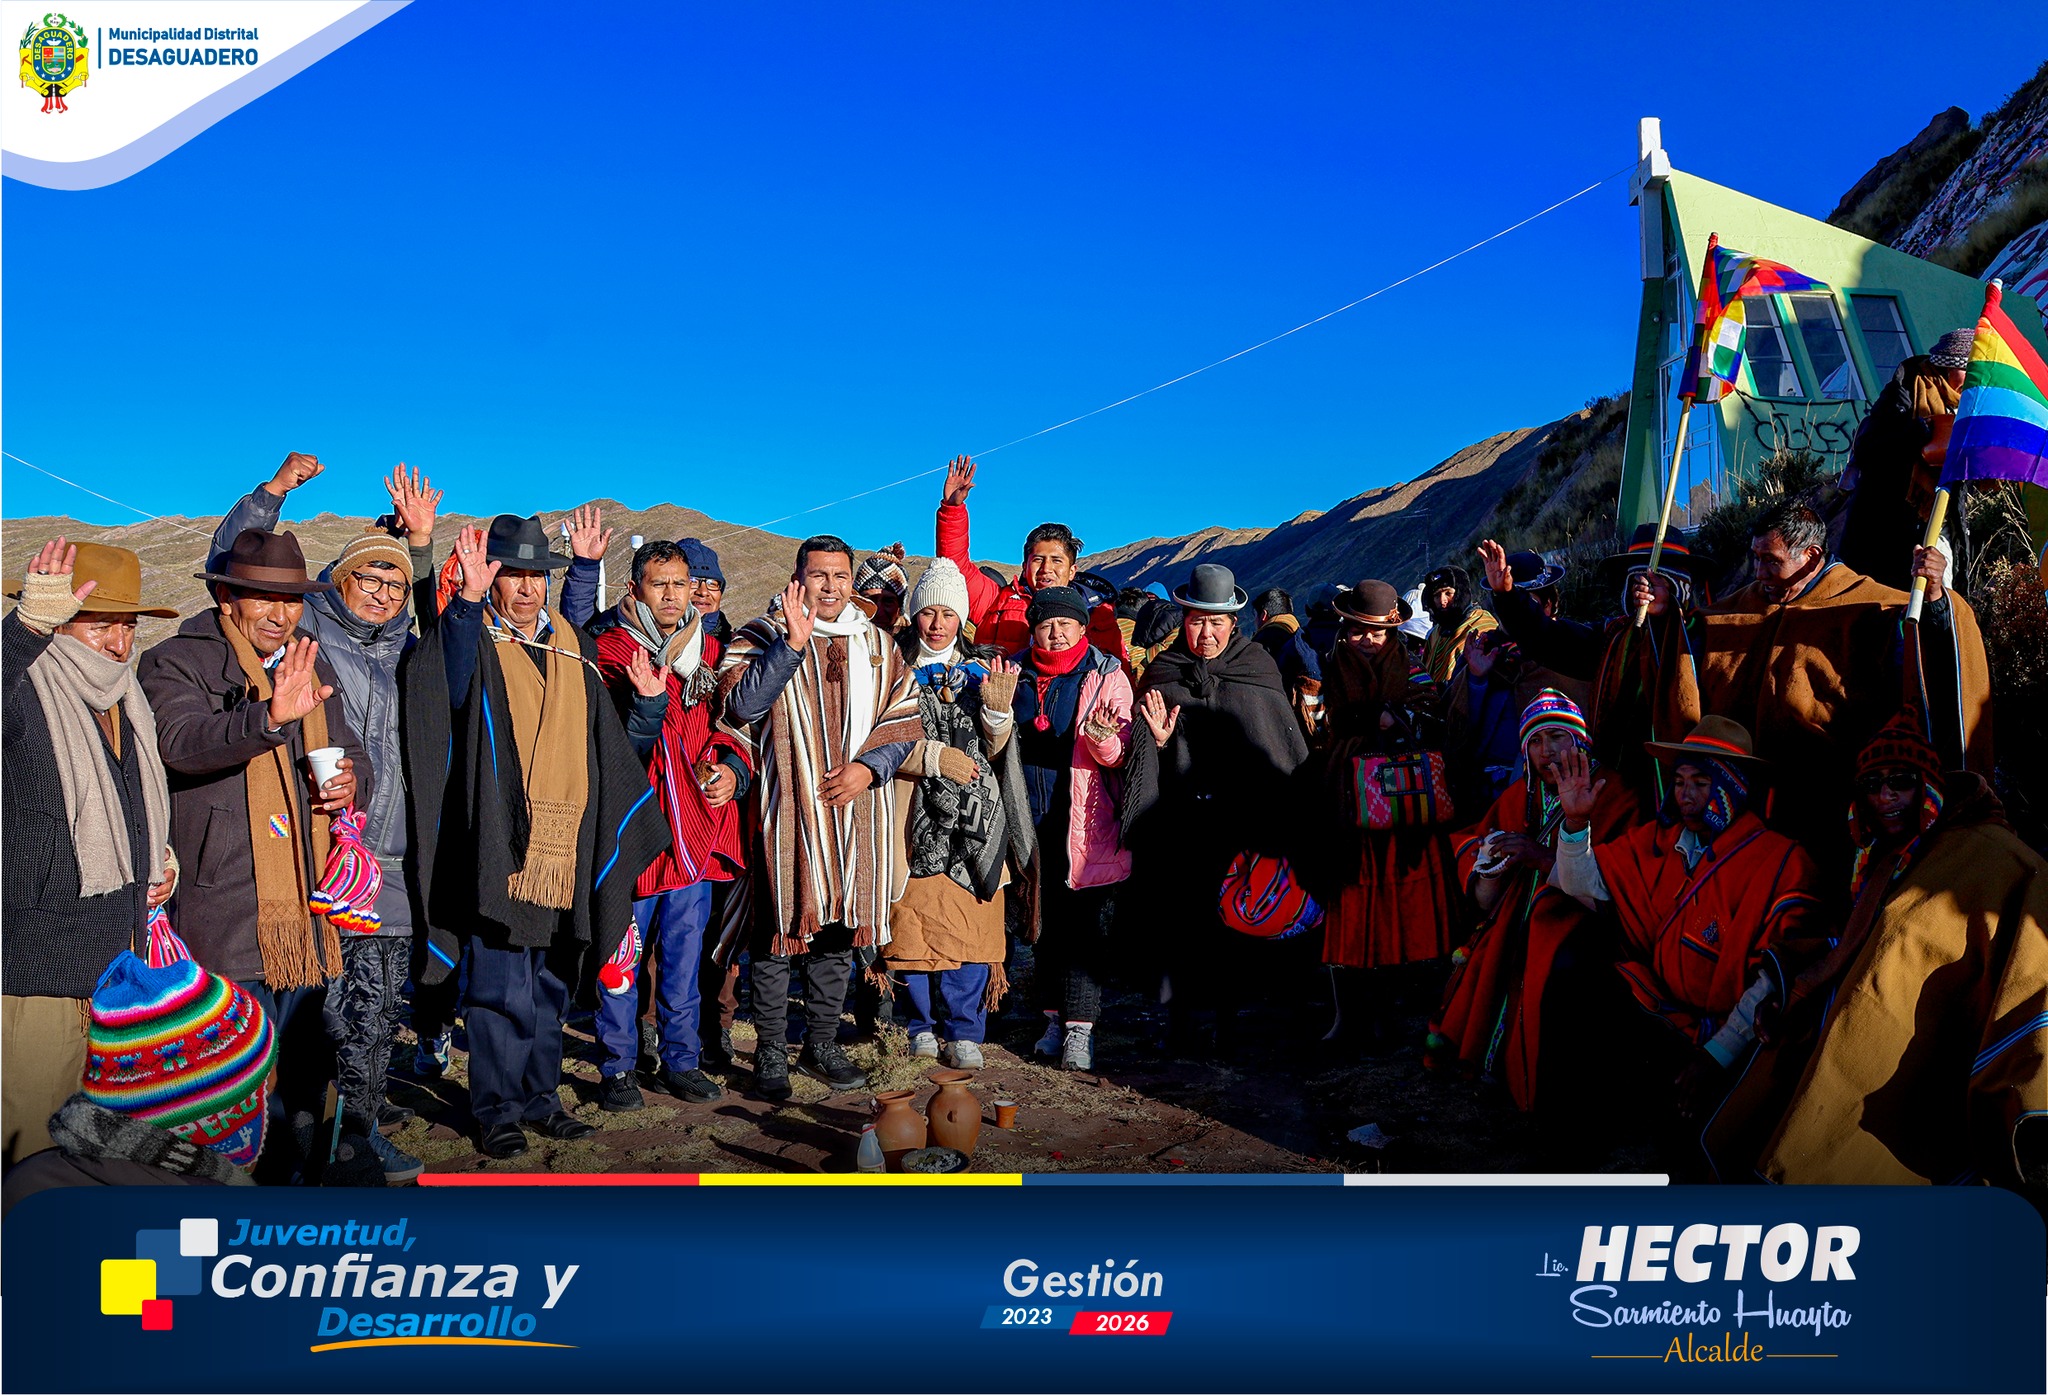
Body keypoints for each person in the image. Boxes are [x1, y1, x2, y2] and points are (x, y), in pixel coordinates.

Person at [402, 516, 669, 1160]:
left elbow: (605, 747)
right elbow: (449, 681)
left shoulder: (573, 648)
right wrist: (448, 580)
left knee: (551, 984)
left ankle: (541, 1099)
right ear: (491, 578)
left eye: (536, 576)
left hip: (567, 844)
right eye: (512, 575)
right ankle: (495, 1109)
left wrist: (647, 710)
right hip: (501, 844)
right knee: (498, 989)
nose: (526, 589)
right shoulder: (474, 638)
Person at [207, 464, 443, 1182]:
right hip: (319, 860)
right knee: (316, 1018)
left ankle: (357, 1137)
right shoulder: (310, 632)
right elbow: (236, 564)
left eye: (394, 584)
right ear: (337, 583)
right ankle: (294, 1142)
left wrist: (420, 546)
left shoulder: (414, 650)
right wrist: (273, 494)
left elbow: (443, 615)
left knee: (377, 1016)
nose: (382, 593)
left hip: (392, 864)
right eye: (368, 577)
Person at [1705, 710, 2048, 1190]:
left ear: (1927, 788)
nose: (1885, 795)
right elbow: (1858, 944)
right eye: (1872, 784)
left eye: (1900, 781)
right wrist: (1801, 987)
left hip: (1934, 1028)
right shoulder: (1886, 858)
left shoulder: (1986, 853)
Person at [138, 528, 370, 1184]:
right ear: (226, 597)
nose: (280, 613)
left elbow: (352, 749)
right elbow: (182, 742)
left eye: (291, 599)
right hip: (225, 911)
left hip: (306, 907)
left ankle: (290, 1186)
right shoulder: (175, 661)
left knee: (300, 1074)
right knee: (231, 1080)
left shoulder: (309, 661)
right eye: (263, 597)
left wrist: (350, 779)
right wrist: (267, 718)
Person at [1546, 717, 1827, 1160]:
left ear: (1733, 786)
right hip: (1661, 1007)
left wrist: (1715, 1056)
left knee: (1689, 1141)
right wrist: (1577, 823)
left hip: (1730, 1034)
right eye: (1679, 782)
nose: (1686, 795)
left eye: (1701, 782)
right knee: (1576, 978)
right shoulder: (1662, 842)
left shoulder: (1781, 861)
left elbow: (1774, 978)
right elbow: (1583, 884)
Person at [716, 535, 924, 1100]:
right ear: (797, 579)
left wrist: (868, 769)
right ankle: (769, 1050)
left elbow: (904, 717)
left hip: (858, 812)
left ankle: (821, 1044)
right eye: (818, 575)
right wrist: (791, 645)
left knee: (837, 932)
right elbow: (740, 706)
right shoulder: (760, 636)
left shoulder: (878, 643)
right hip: (787, 812)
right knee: (779, 931)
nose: (830, 586)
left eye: (839, 575)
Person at [1698, 498, 1991, 884]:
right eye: (1755, 558)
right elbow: (1687, 639)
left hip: (1831, 805)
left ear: (1810, 556)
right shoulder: (1744, 605)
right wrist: (1661, 609)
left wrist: (1935, 597)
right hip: (1748, 803)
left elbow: (1926, 652)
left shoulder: (1866, 604)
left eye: (1771, 560)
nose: (1760, 572)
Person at [3, 540, 180, 1168]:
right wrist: (25, 627)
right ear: (59, 619)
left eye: (127, 626)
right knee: (26, 1146)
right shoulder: (24, 686)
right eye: (99, 624)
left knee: (97, 1153)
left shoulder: (126, 699)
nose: (117, 643)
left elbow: (132, 806)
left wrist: (158, 855)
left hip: (118, 964)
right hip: (34, 972)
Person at [573, 538, 750, 1111]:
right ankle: (618, 1066)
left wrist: (730, 766)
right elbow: (608, 740)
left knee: (683, 957)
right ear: (635, 589)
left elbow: (729, 725)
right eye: (660, 584)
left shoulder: (709, 651)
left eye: (681, 584)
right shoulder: (610, 650)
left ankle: (681, 1060)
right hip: (633, 829)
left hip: (693, 830)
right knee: (620, 956)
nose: (673, 595)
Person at [1124, 564, 1309, 1055]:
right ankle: (1181, 1024)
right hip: (1184, 823)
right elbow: (1146, 755)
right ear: (1184, 620)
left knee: (1235, 925)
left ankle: (1229, 1024)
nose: (1205, 633)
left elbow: (1276, 745)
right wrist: (1160, 743)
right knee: (1181, 922)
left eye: (1216, 622)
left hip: (1245, 823)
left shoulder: (1257, 668)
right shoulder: (1164, 672)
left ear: (1233, 623)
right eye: (1196, 621)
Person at [1428, 691, 1636, 1107]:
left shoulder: (1615, 794)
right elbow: (1481, 868)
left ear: (1580, 741)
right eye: (1535, 742)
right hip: (1518, 919)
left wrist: (1542, 858)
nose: (1546, 751)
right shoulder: (1520, 794)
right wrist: (1491, 865)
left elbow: (1619, 887)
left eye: (1557, 737)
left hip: (1582, 926)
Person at [886, 558, 1031, 1068]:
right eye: (928, 612)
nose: (938, 623)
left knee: (971, 920)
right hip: (910, 813)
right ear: (915, 615)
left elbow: (996, 750)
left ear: (962, 618)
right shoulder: (892, 672)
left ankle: (964, 1029)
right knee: (912, 920)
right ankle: (920, 1025)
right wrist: (930, 759)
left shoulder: (982, 672)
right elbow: (879, 741)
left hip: (975, 818)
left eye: (948, 613)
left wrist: (997, 713)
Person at [3, 953, 275, 1218]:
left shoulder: (28, 1182)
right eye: (264, 1087)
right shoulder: (217, 1222)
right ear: (226, 1116)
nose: (273, 1088)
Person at [1480, 529, 1705, 817]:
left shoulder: (1707, 639)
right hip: (1620, 796)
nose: (1645, 589)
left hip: (1689, 787)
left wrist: (1666, 618)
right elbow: (1549, 638)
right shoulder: (1613, 639)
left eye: (1658, 581)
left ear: (1680, 585)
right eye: (1637, 580)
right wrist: (1508, 596)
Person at [1009, 585, 1133, 1072]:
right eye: (1046, 624)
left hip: (1084, 820)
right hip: (1028, 818)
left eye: (1066, 624)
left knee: (1082, 928)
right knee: (1042, 925)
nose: (1056, 633)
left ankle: (1080, 1029)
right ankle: (1051, 1020)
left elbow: (1120, 754)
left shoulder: (1106, 676)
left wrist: (1102, 738)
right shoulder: (1013, 673)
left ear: (1083, 627)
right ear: (1033, 630)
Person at [1314, 580, 1460, 989]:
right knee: (1356, 886)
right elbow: (1321, 723)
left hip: (1405, 802)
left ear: (1392, 631)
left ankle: (1412, 974)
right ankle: (1361, 974)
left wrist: (1394, 718)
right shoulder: (1330, 669)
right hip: (1348, 799)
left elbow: (1431, 713)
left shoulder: (1410, 667)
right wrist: (1366, 720)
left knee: (1409, 887)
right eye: (1358, 631)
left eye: (1376, 633)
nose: (1367, 641)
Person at [933, 455, 1125, 657]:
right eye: (1038, 560)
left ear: (1072, 571)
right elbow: (954, 567)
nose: (1046, 569)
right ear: (1025, 566)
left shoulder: (1097, 612)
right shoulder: (995, 600)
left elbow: (1116, 670)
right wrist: (952, 509)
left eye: (1056, 560)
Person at [1839, 328, 1974, 591]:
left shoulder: (1968, 405)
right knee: (1890, 594)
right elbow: (1869, 449)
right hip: (1888, 519)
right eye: (1966, 369)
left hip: (1941, 516)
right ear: (1947, 366)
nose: (1971, 378)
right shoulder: (1905, 392)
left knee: (1938, 592)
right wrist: (1921, 432)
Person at [1418, 564, 1497, 686]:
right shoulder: (1437, 632)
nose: (1442, 601)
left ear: (1460, 593)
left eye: (1448, 593)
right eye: (1437, 595)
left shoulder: (1482, 625)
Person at [854, 544, 911, 632]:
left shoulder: (916, 639)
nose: (878, 612)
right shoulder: (839, 636)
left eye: (888, 601)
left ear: (900, 608)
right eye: (869, 600)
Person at [1248, 588, 1298, 663]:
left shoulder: (1262, 641)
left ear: (1263, 615)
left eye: (1255, 615)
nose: (1255, 621)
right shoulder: (1298, 633)